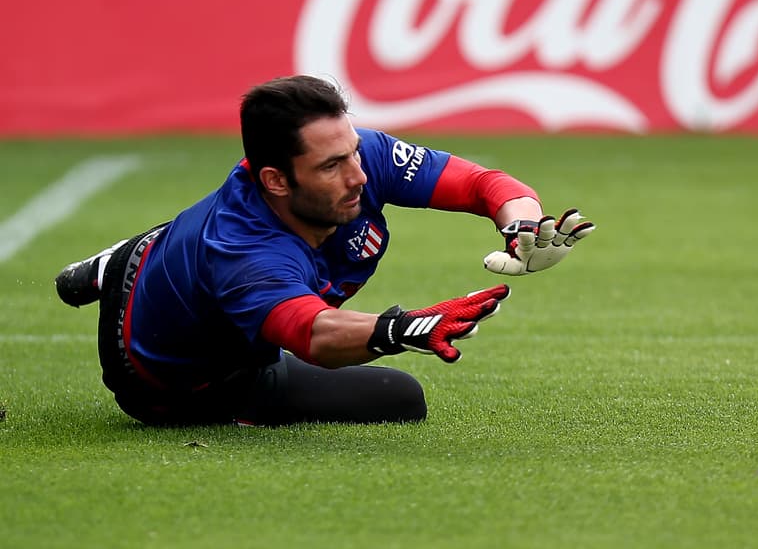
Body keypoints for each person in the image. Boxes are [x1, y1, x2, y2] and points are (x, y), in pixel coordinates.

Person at [53, 75, 594, 427]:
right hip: (174, 383)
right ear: (278, 179)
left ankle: (133, 258)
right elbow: (312, 335)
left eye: (353, 151)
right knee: (400, 398)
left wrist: (521, 224)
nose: (360, 174)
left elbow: (483, 182)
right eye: (332, 166)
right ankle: (134, 264)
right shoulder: (246, 253)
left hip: (191, 265)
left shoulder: (359, 160)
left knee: (205, 242)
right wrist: (400, 328)